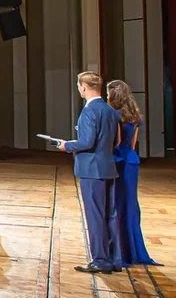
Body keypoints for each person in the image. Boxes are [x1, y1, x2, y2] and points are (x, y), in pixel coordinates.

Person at [58, 72, 123, 273]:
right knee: (110, 215)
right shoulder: (111, 111)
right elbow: (116, 141)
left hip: (91, 170)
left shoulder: (89, 112)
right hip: (108, 167)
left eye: (79, 86)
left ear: (84, 88)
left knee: (95, 215)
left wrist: (66, 145)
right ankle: (114, 258)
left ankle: (100, 260)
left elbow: (87, 142)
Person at [107, 79, 158, 266]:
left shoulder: (115, 115)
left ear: (113, 95)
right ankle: (134, 249)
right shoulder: (135, 115)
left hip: (119, 161)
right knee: (130, 204)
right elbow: (132, 144)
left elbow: (117, 142)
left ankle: (122, 252)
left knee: (118, 204)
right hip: (131, 161)